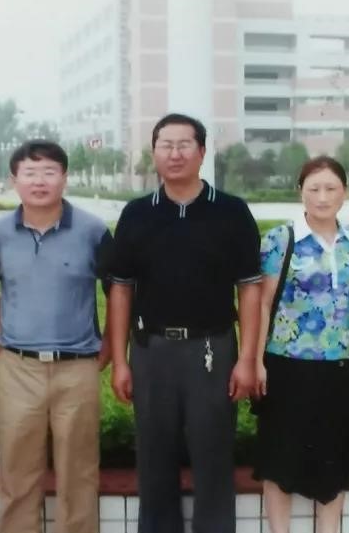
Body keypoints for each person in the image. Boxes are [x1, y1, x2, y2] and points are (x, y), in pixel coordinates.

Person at [107, 113, 260, 533]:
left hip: (212, 350)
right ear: (154, 152)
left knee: (214, 455)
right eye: (165, 145)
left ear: (202, 152)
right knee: (153, 457)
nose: (174, 154)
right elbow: (121, 290)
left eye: (184, 144)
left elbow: (249, 289)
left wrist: (247, 358)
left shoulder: (231, 212)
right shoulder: (137, 214)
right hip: (151, 351)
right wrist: (120, 361)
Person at [0, 140, 113, 533]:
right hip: (19, 368)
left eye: (49, 172)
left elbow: (118, 289)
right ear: (14, 180)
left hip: (77, 368)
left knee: (79, 473)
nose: (39, 181)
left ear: (64, 178)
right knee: (16, 471)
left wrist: (112, 344)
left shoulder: (93, 231)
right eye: (30, 173)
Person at [254, 156, 349, 533]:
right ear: (300, 191)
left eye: (331, 188)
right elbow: (262, 304)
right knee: (280, 460)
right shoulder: (280, 240)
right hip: (285, 365)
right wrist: (256, 361)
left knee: (333, 460)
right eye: (314, 188)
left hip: (338, 367)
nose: (322, 197)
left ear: (345, 193)